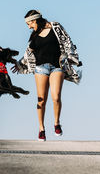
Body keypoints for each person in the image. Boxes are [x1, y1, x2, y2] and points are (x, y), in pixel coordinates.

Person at [11, 9, 82, 141]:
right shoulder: (34, 36)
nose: (28, 26)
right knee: (41, 100)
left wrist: (73, 58)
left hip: (57, 66)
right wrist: (20, 64)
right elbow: (28, 54)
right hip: (40, 69)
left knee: (56, 97)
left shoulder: (55, 27)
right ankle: (41, 129)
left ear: (34, 20)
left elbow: (67, 41)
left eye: (29, 23)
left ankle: (56, 123)